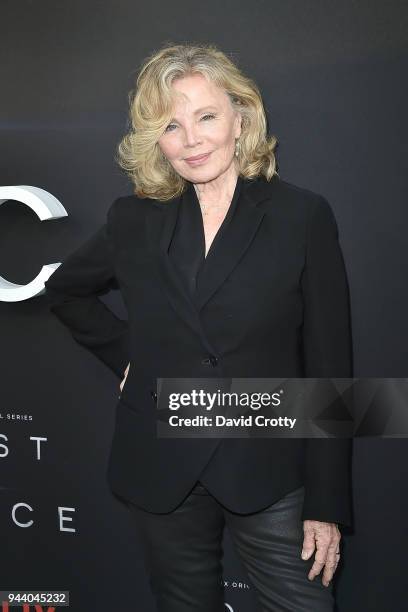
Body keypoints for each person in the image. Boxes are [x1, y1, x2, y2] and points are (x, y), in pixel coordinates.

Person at [44, 43, 353, 611]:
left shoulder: (301, 216)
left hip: (269, 465)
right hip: (161, 464)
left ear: (240, 118)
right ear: (153, 139)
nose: (190, 140)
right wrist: (126, 359)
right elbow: (66, 291)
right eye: (169, 125)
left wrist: (328, 500)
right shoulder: (134, 217)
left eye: (206, 116)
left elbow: (331, 363)